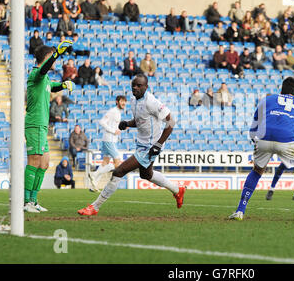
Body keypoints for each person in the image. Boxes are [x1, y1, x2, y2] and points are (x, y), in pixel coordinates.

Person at [78, 73, 186, 216]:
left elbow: (171, 122)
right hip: (142, 144)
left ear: (146, 87)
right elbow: (141, 120)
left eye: (139, 85)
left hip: (150, 146)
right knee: (146, 174)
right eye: (133, 85)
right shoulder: (134, 100)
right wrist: (127, 124)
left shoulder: (151, 102)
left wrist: (158, 144)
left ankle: (95, 207)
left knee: (119, 171)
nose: (135, 88)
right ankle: (178, 190)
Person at [228, 77, 294, 221]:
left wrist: (256, 145)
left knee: (257, 171)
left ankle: (239, 211)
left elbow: (254, 126)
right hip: (286, 138)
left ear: (281, 90)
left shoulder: (266, 100)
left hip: (263, 138)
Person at [23, 41, 74, 213]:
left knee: (44, 164)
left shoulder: (45, 78)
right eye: (53, 59)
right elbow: (43, 69)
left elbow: (55, 85)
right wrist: (56, 53)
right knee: (34, 161)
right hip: (34, 124)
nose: (55, 63)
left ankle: (34, 200)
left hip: (42, 126)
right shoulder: (36, 74)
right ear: (47, 58)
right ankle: (26, 202)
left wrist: (65, 84)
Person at [88, 95, 127, 192]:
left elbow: (114, 125)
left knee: (105, 162)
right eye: (122, 101)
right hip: (109, 140)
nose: (124, 103)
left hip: (110, 140)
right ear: (117, 102)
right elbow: (102, 122)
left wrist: (121, 128)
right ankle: (94, 174)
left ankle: (94, 185)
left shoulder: (118, 112)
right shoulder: (113, 111)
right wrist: (113, 131)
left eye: (125, 101)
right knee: (117, 163)